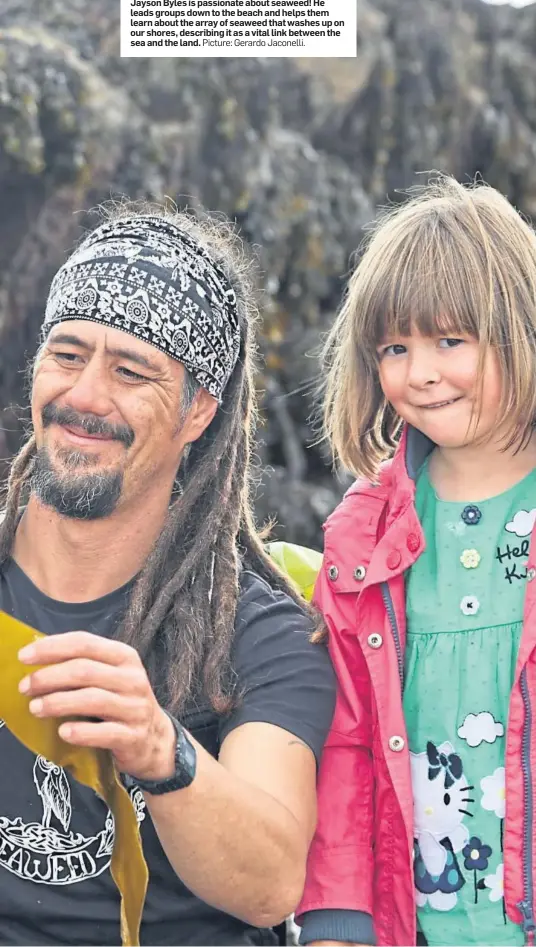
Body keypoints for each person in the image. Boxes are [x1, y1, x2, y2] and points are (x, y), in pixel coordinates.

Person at [0, 205, 336, 947]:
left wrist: (164, 749)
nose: (84, 395)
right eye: (67, 354)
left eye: (131, 371)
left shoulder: (261, 634)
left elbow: (271, 881)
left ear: (198, 411)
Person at [296, 176, 536, 947]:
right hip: (415, 928)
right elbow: (344, 743)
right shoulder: (360, 540)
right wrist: (335, 921)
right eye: (395, 348)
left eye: (450, 340)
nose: (421, 372)